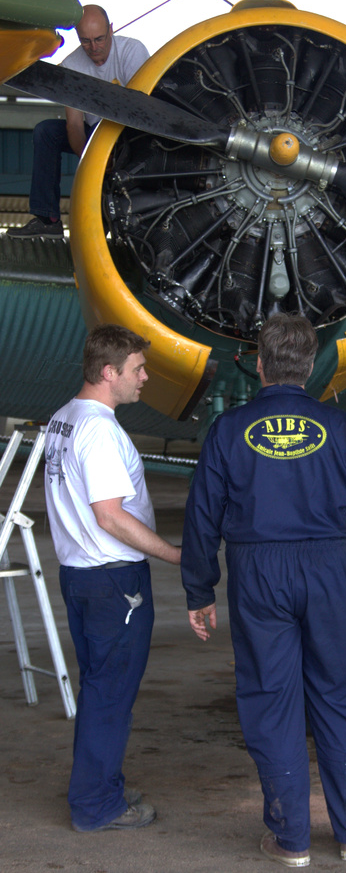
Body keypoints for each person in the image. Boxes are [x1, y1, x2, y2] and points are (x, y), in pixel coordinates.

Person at [181, 313, 346, 867]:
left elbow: (202, 516)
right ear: (312, 365)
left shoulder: (228, 430)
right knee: (339, 697)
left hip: (258, 572)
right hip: (328, 569)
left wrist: (199, 589)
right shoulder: (343, 429)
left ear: (258, 364)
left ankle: (291, 839)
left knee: (271, 701)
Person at [44, 324, 181, 832]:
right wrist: (174, 555)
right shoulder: (99, 429)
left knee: (102, 688)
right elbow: (110, 515)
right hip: (112, 582)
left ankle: (101, 786)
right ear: (109, 372)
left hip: (81, 577)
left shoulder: (63, 418)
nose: (144, 378)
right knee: (110, 695)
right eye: (137, 370)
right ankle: (96, 806)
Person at [7, 5, 149, 240]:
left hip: (130, 134)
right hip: (94, 135)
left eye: (99, 39)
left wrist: (114, 157)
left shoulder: (132, 51)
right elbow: (73, 125)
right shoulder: (72, 66)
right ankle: (47, 219)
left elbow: (143, 113)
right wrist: (93, 161)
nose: (93, 48)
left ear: (111, 30)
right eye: (85, 41)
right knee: (46, 132)